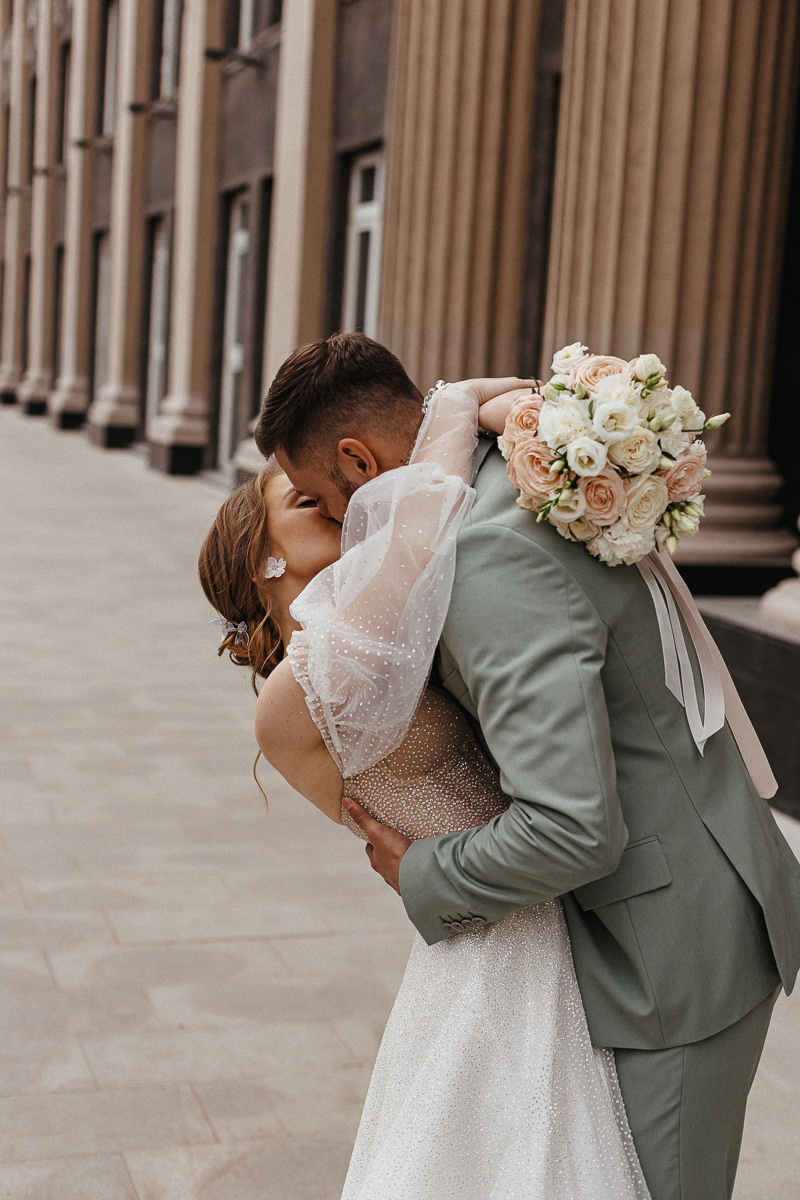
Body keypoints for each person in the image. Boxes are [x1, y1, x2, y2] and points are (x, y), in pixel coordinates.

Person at [249, 332, 800, 1200]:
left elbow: (573, 827)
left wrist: (421, 867)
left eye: (326, 499)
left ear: (358, 458)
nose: (341, 525)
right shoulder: (515, 465)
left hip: (675, 952)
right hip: (703, 871)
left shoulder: (484, 560)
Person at [199, 375, 653, 1197]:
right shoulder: (306, 682)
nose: (341, 510)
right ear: (265, 558)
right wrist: (458, 406)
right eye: (308, 504)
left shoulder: (388, 628)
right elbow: (428, 508)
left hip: (529, 902)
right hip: (497, 934)